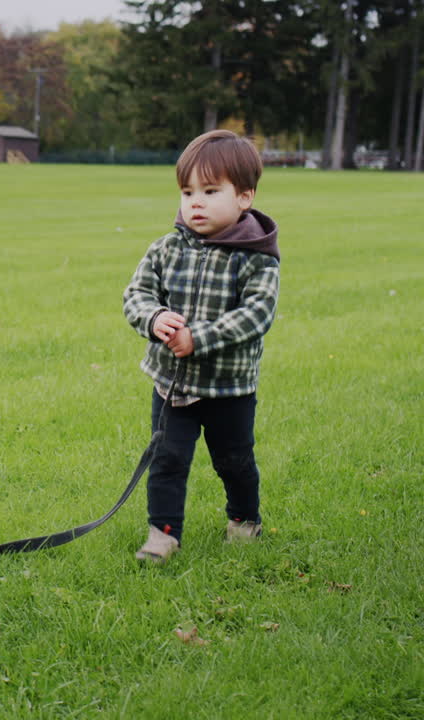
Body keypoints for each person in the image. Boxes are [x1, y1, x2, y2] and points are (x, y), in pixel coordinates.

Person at [122, 129, 281, 563]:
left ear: (244, 197)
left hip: (229, 388)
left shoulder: (257, 258)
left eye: (211, 192)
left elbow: (257, 314)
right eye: (188, 192)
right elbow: (136, 295)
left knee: (234, 460)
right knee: (167, 459)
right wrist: (155, 318)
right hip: (172, 386)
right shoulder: (166, 248)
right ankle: (163, 534)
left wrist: (199, 337)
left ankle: (244, 520)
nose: (196, 202)